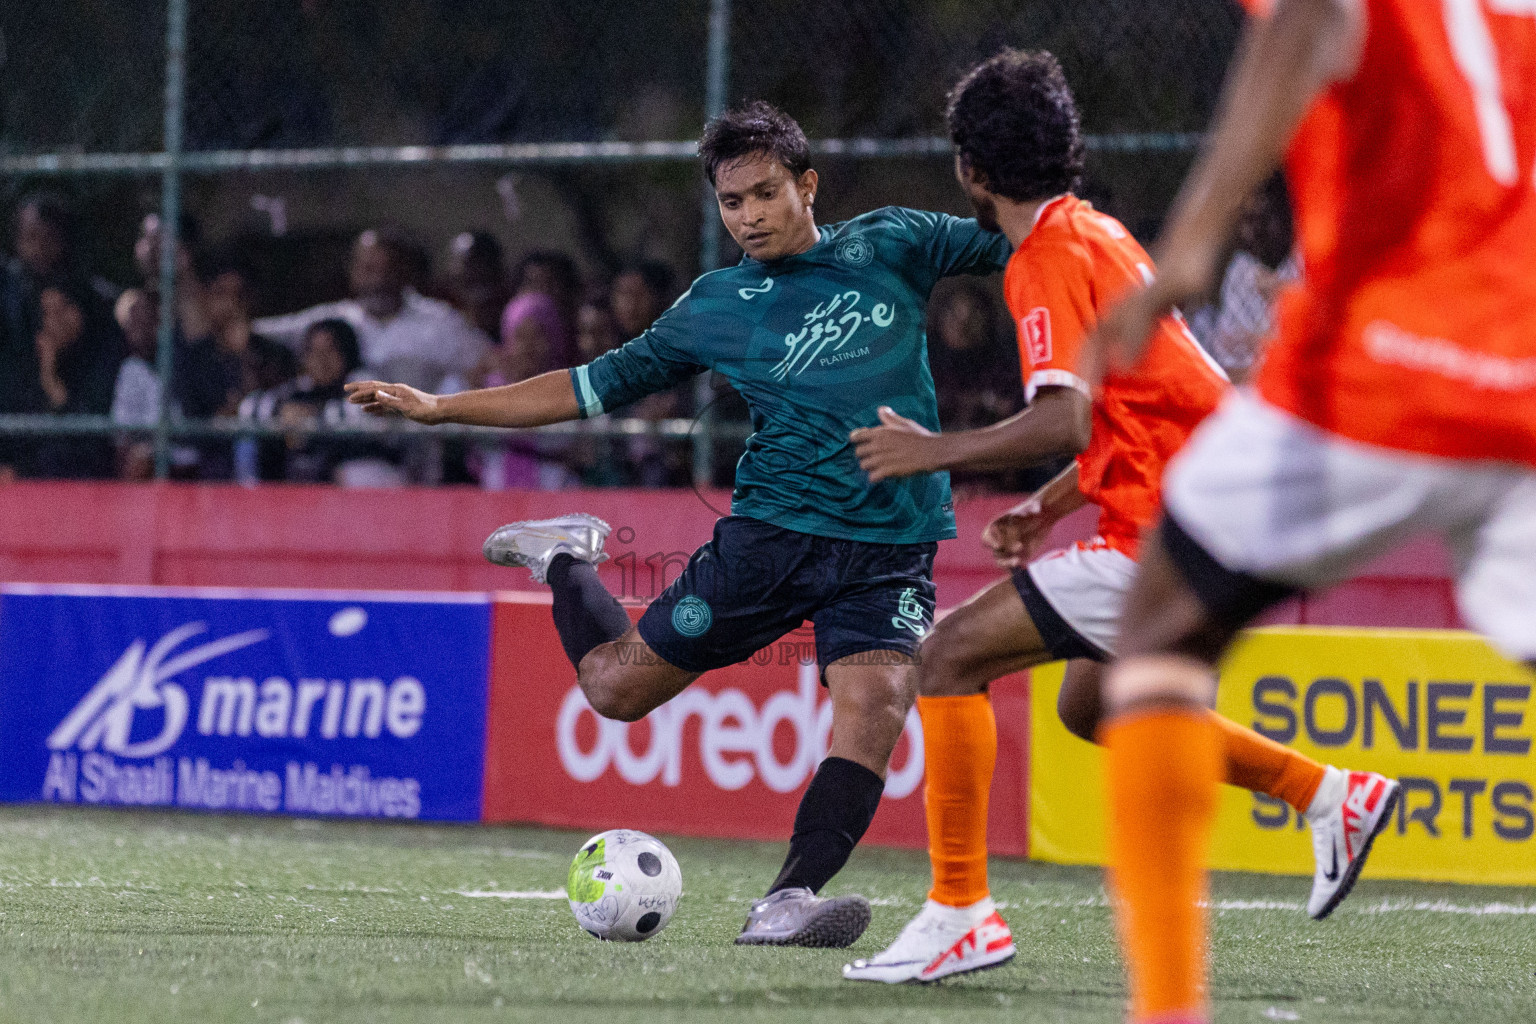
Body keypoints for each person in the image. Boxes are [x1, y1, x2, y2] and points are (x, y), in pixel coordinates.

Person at [347, 100, 1013, 947]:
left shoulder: (894, 242)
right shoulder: (715, 305)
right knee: (614, 691)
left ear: (808, 185)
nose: (750, 216)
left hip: (892, 549)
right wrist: (442, 408)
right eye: (732, 203)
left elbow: (1024, 241)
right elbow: (581, 387)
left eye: (766, 194)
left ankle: (788, 898)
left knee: (877, 707)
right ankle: (563, 561)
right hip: (771, 541)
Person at [839, 48, 1394, 985]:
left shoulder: (1045, 259)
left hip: (1166, 530)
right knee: (1097, 702)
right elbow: (1136, 400)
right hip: (1204, 502)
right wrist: (1050, 502)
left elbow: (1067, 413)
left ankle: (959, 910)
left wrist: (933, 452)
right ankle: (1328, 793)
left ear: (970, 171)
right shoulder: (1099, 232)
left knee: (945, 655)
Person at [1081, 1, 1536, 1021]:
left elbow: (1312, 18)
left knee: (1156, 631)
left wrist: (1192, 247)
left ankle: (1166, 1008)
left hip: (1375, 373)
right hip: (1525, 391)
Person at [254, 228, 488, 394]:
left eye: (387, 269)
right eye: (368, 269)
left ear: (404, 271)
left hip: (417, 449)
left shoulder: (440, 321)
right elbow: (268, 333)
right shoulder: (335, 319)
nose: (378, 280)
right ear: (353, 273)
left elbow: (488, 364)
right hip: (349, 446)